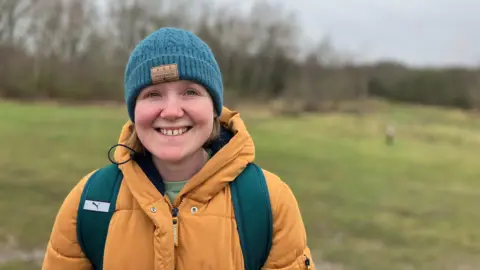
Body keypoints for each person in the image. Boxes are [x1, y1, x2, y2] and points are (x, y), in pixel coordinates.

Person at [41, 27, 315, 270]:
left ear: (214, 107)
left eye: (191, 92)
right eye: (152, 94)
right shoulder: (88, 201)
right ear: (134, 111)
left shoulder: (270, 201)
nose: (171, 111)